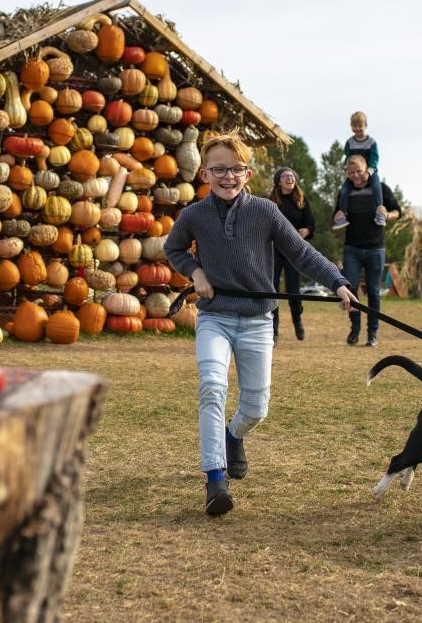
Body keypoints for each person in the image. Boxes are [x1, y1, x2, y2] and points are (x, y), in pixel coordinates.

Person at [164, 131, 357, 517]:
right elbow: (174, 248)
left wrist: (337, 282)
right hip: (215, 316)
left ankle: (234, 436)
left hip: (256, 320)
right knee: (212, 387)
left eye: (235, 169)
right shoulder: (194, 216)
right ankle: (214, 477)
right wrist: (196, 272)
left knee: (256, 408)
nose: (227, 176)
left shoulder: (266, 212)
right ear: (204, 173)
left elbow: (301, 253)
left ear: (248, 174)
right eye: (219, 169)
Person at [333, 154, 401, 347]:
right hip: (352, 248)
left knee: (373, 291)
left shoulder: (381, 189)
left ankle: (372, 334)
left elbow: (398, 212)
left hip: (375, 248)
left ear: (367, 170)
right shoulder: (345, 192)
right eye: (351, 172)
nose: (355, 176)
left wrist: (387, 214)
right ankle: (355, 329)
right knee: (350, 288)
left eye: (359, 171)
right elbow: (337, 217)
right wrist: (337, 214)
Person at [269, 166, 315, 344]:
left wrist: (306, 230)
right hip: (274, 250)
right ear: (278, 182)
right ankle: (273, 330)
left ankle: (297, 320)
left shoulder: (301, 200)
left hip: (294, 250)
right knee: (271, 290)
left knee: (293, 291)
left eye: (292, 176)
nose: (290, 178)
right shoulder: (272, 201)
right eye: (285, 176)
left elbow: (310, 224)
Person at [332, 111, 385, 230]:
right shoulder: (350, 142)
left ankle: (379, 213)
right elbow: (347, 157)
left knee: (377, 187)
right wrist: (346, 168)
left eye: (360, 126)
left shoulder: (371, 142)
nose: (357, 128)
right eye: (354, 126)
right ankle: (342, 216)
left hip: (369, 171)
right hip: (354, 172)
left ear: (366, 125)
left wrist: (369, 172)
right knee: (344, 190)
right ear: (351, 126)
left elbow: (374, 159)